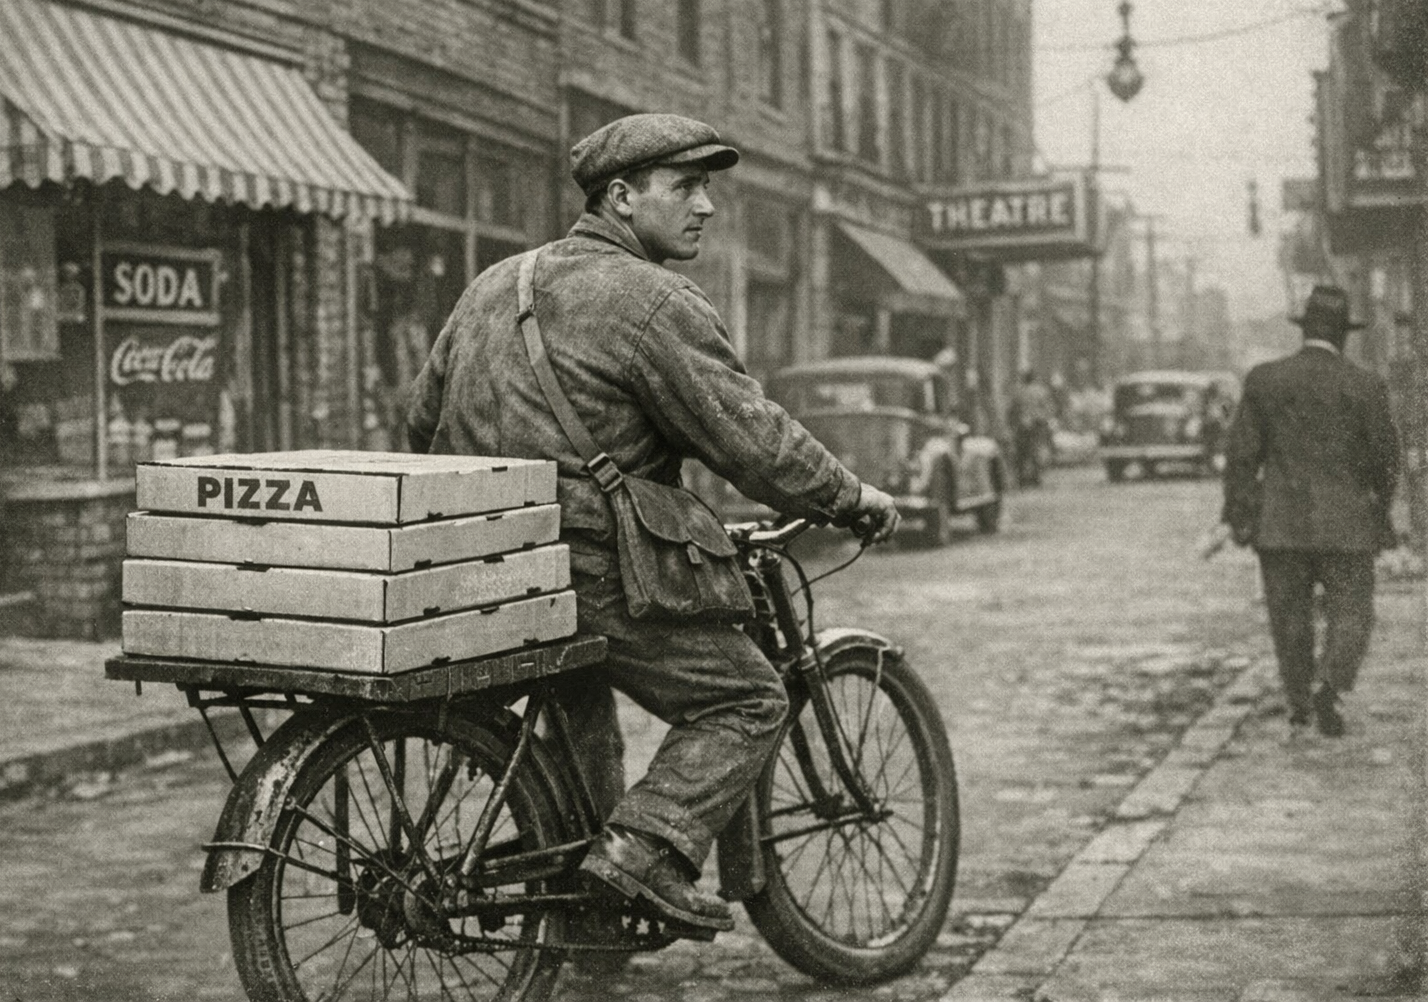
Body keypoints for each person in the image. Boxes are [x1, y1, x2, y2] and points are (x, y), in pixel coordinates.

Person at [405, 113, 900, 933]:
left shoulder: (493, 282)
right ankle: (642, 854)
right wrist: (851, 497)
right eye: (686, 187)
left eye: (706, 187)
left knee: (580, 715)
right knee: (747, 700)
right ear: (623, 197)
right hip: (589, 568)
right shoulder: (654, 299)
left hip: (484, 566)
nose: (705, 207)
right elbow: (749, 436)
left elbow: (420, 424)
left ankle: (591, 916)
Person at [1221, 285, 1400, 738]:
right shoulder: (1365, 384)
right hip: (1348, 523)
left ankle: (1299, 700)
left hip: (1281, 523)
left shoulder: (1264, 380)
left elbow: (1242, 455)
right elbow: (1385, 459)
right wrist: (1381, 512)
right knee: (1353, 611)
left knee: (1289, 615)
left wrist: (1240, 516)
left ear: (1304, 330)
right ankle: (1331, 681)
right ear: (1343, 335)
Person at [1009, 369, 1053, 487]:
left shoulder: (1018, 391)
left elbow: (1013, 409)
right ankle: (1035, 477)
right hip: (1038, 423)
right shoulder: (1041, 391)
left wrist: (1013, 424)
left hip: (1023, 424)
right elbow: (1048, 407)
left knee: (1023, 451)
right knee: (1036, 450)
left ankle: (1022, 478)